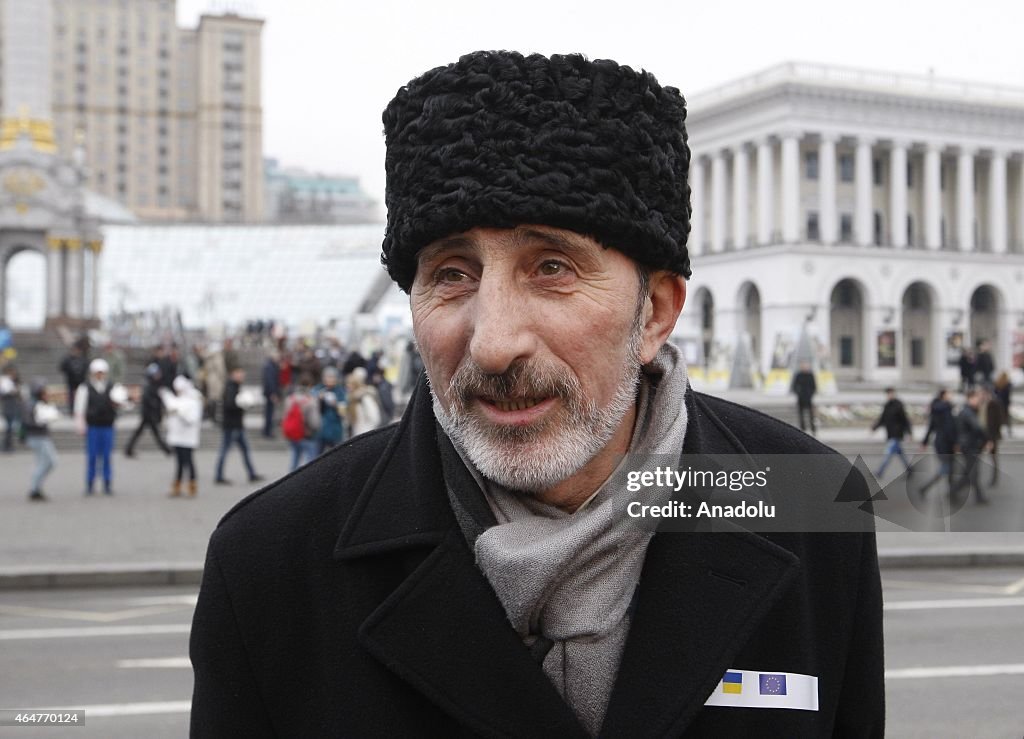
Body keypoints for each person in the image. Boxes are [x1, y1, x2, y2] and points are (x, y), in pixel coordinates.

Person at [191, 51, 883, 737]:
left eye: (551, 267)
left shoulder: (815, 507)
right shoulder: (269, 566)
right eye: (452, 273)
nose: (493, 343)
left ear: (657, 313)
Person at [74, 358, 126, 495]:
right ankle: (90, 484)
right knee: (92, 456)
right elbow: (80, 408)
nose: (100, 375)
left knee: (107, 456)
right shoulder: (85, 388)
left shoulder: (112, 387)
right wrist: (81, 425)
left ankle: (107, 483)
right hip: (93, 426)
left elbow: (121, 403)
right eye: (97, 373)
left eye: (102, 373)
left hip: (107, 425)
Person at [213, 367, 264, 486]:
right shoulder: (231, 387)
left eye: (243, 372)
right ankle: (219, 475)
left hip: (236, 425)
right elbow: (230, 404)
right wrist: (244, 403)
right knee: (225, 450)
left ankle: (251, 474)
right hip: (232, 426)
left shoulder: (234, 386)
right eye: (240, 373)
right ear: (233, 374)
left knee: (244, 450)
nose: (242, 375)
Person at [160, 375, 204, 497]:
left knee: (189, 462)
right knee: (179, 463)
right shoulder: (179, 400)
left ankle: (192, 484)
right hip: (177, 437)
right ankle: (177, 485)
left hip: (188, 437)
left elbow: (192, 419)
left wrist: (179, 413)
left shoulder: (194, 400)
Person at [949, 388, 991, 505]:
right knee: (971, 472)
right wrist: (987, 439)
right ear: (970, 398)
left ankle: (978, 496)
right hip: (969, 445)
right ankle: (953, 492)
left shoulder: (968, 411)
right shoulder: (968, 412)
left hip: (968, 444)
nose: (978, 400)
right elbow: (977, 427)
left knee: (972, 472)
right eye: (976, 398)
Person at [22, 382, 60, 501]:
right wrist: (41, 420)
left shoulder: (37, 403)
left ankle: (36, 487)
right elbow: (29, 421)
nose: (46, 394)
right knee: (50, 461)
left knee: (42, 462)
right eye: (43, 392)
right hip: (37, 437)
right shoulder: (32, 404)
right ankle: (34, 487)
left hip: (40, 436)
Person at [124, 363, 171, 457]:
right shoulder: (149, 385)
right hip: (148, 414)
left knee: (141, 432)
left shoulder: (154, 384)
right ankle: (167, 450)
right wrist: (156, 406)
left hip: (149, 414)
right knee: (154, 434)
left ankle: (128, 449)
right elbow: (148, 399)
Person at [918, 388, 957, 496]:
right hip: (945, 442)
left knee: (950, 467)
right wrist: (955, 442)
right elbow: (949, 428)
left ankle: (952, 490)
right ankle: (925, 488)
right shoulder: (946, 408)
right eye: (949, 393)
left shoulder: (937, 409)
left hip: (941, 442)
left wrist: (924, 443)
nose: (951, 395)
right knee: (946, 467)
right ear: (943, 396)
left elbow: (931, 427)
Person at [281, 372, 321, 471]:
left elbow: (285, 415)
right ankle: (310, 480)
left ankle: (290, 479)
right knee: (311, 461)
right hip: (307, 435)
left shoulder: (290, 399)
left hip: (293, 433)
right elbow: (314, 422)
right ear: (310, 385)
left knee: (295, 457)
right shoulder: (310, 400)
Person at [872, 387, 913, 478]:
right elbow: (882, 418)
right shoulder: (887, 405)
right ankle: (910, 469)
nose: (889, 395)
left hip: (897, 433)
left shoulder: (898, 405)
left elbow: (905, 420)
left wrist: (909, 432)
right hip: (890, 433)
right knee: (900, 453)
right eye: (888, 394)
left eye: (891, 393)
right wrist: (874, 428)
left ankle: (880, 471)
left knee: (888, 453)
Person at [315, 366, 346, 453]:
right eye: (327, 377)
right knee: (317, 457)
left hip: (335, 429)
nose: (329, 379)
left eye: (332, 377)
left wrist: (336, 405)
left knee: (336, 455)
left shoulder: (340, 391)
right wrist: (319, 400)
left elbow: (343, 412)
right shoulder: (317, 389)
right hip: (320, 429)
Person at [345, 366, 382, 437]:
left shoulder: (364, 398)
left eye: (350, 384)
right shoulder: (351, 399)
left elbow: (375, 418)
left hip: (365, 434)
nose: (348, 386)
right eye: (347, 384)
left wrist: (367, 432)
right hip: (356, 434)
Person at [980, 386, 1006, 487]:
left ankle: (994, 478)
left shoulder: (994, 404)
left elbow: (998, 421)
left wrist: (991, 438)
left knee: (993, 457)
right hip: (982, 435)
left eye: (983, 394)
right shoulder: (982, 404)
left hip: (992, 435)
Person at [58, 340, 88, 415]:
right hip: (71, 382)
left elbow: (87, 368)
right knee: (71, 398)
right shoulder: (68, 359)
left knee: (82, 397)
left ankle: (81, 411)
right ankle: (72, 411)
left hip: (81, 382)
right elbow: (62, 368)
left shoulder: (83, 359)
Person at [790, 361, 817, 435]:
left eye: (806, 366)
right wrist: (798, 393)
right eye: (803, 366)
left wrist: (810, 394)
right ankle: (803, 429)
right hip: (801, 398)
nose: (805, 368)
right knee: (801, 415)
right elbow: (794, 386)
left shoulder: (810, 375)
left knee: (811, 415)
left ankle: (813, 429)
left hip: (808, 398)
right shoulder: (798, 375)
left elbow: (814, 386)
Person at [1, 363, 22, 452]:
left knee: (11, 427)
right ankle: (6, 446)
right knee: (9, 428)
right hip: (8, 408)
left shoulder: (14, 381)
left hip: (13, 407)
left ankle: (8, 445)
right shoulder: (5, 381)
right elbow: (5, 392)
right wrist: (14, 391)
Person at [260, 350, 281, 438]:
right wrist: (273, 393)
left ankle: (267, 430)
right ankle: (267, 431)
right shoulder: (269, 366)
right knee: (269, 413)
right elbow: (270, 381)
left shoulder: (271, 365)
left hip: (270, 392)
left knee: (269, 412)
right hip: (270, 393)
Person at [993, 371, 1012, 438]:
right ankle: (1009, 431)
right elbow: (1007, 396)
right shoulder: (1007, 385)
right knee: (1006, 418)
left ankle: (999, 432)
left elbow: (995, 393)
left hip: (999, 404)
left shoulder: (997, 384)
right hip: (1005, 404)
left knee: (999, 418)